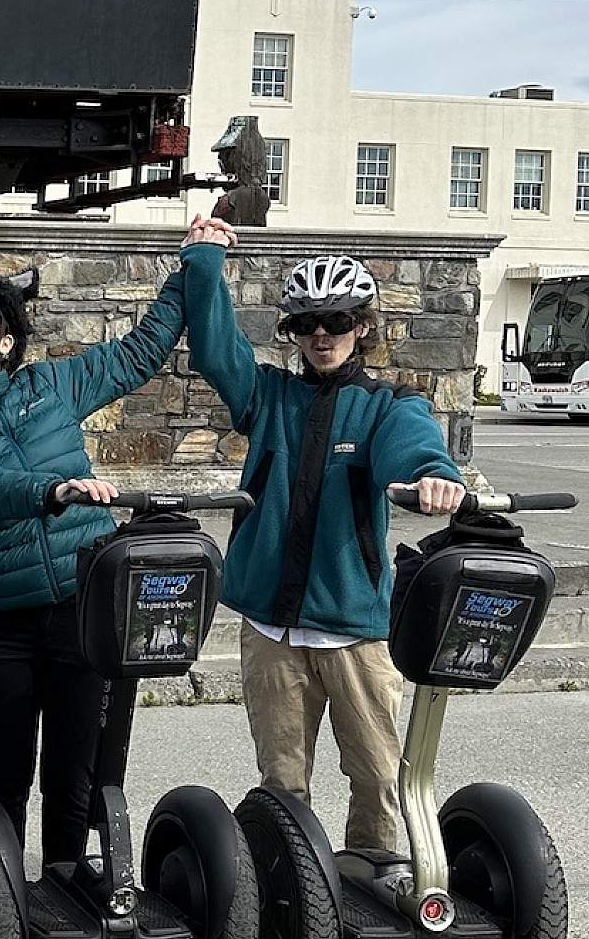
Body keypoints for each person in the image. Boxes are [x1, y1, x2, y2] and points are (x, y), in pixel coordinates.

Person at [178, 222, 464, 862]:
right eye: (306, 324)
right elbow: (218, 350)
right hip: (271, 629)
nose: (321, 336)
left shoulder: (387, 405)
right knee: (282, 783)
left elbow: (411, 447)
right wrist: (203, 259)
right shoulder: (268, 397)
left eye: (335, 321)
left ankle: (375, 868)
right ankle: (292, 889)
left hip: (353, 629)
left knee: (378, 776)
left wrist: (433, 478)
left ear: (360, 326)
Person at [0, 253, 200, 872]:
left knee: (74, 775)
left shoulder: (52, 386)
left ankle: (66, 887)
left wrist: (192, 266)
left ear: (5, 339)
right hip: (4, 624)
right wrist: (51, 490)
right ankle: (2, 902)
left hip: (80, 609)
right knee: (5, 775)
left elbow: (140, 351)